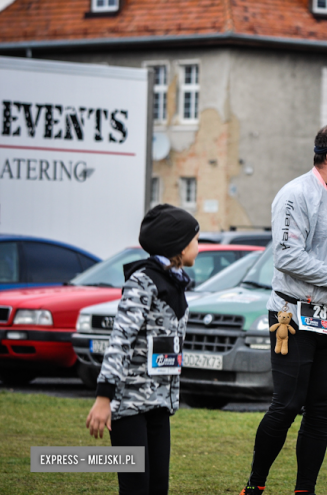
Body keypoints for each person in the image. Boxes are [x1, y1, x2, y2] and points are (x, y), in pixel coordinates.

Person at [240, 122, 327, 495]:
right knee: (287, 405)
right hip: (290, 315)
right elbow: (288, 258)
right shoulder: (295, 194)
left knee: (322, 410)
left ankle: (305, 490)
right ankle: (255, 485)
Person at [86, 203, 200, 495]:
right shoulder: (142, 281)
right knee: (137, 488)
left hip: (159, 403)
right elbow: (120, 339)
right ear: (178, 244)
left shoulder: (175, 282)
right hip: (128, 406)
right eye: (195, 239)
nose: (199, 245)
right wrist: (103, 397)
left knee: (158, 487)